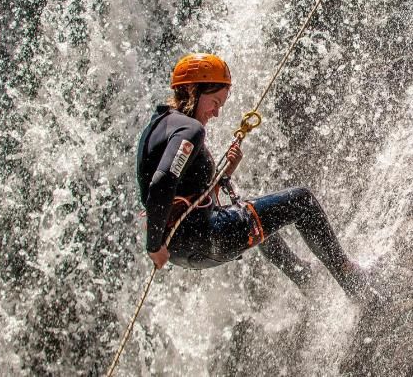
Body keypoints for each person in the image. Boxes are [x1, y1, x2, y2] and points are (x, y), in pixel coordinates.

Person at [136, 52, 377, 302]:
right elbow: (162, 183)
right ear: (193, 90)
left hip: (181, 248)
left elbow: (185, 192)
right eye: (215, 102)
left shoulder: (157, 126)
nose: (216, 113)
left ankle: (303, 276)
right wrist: (154, 246)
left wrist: (226, 172)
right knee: (301, 200)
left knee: (260, 213)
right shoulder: (190, 129)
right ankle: (351, 279)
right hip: (205, 237)